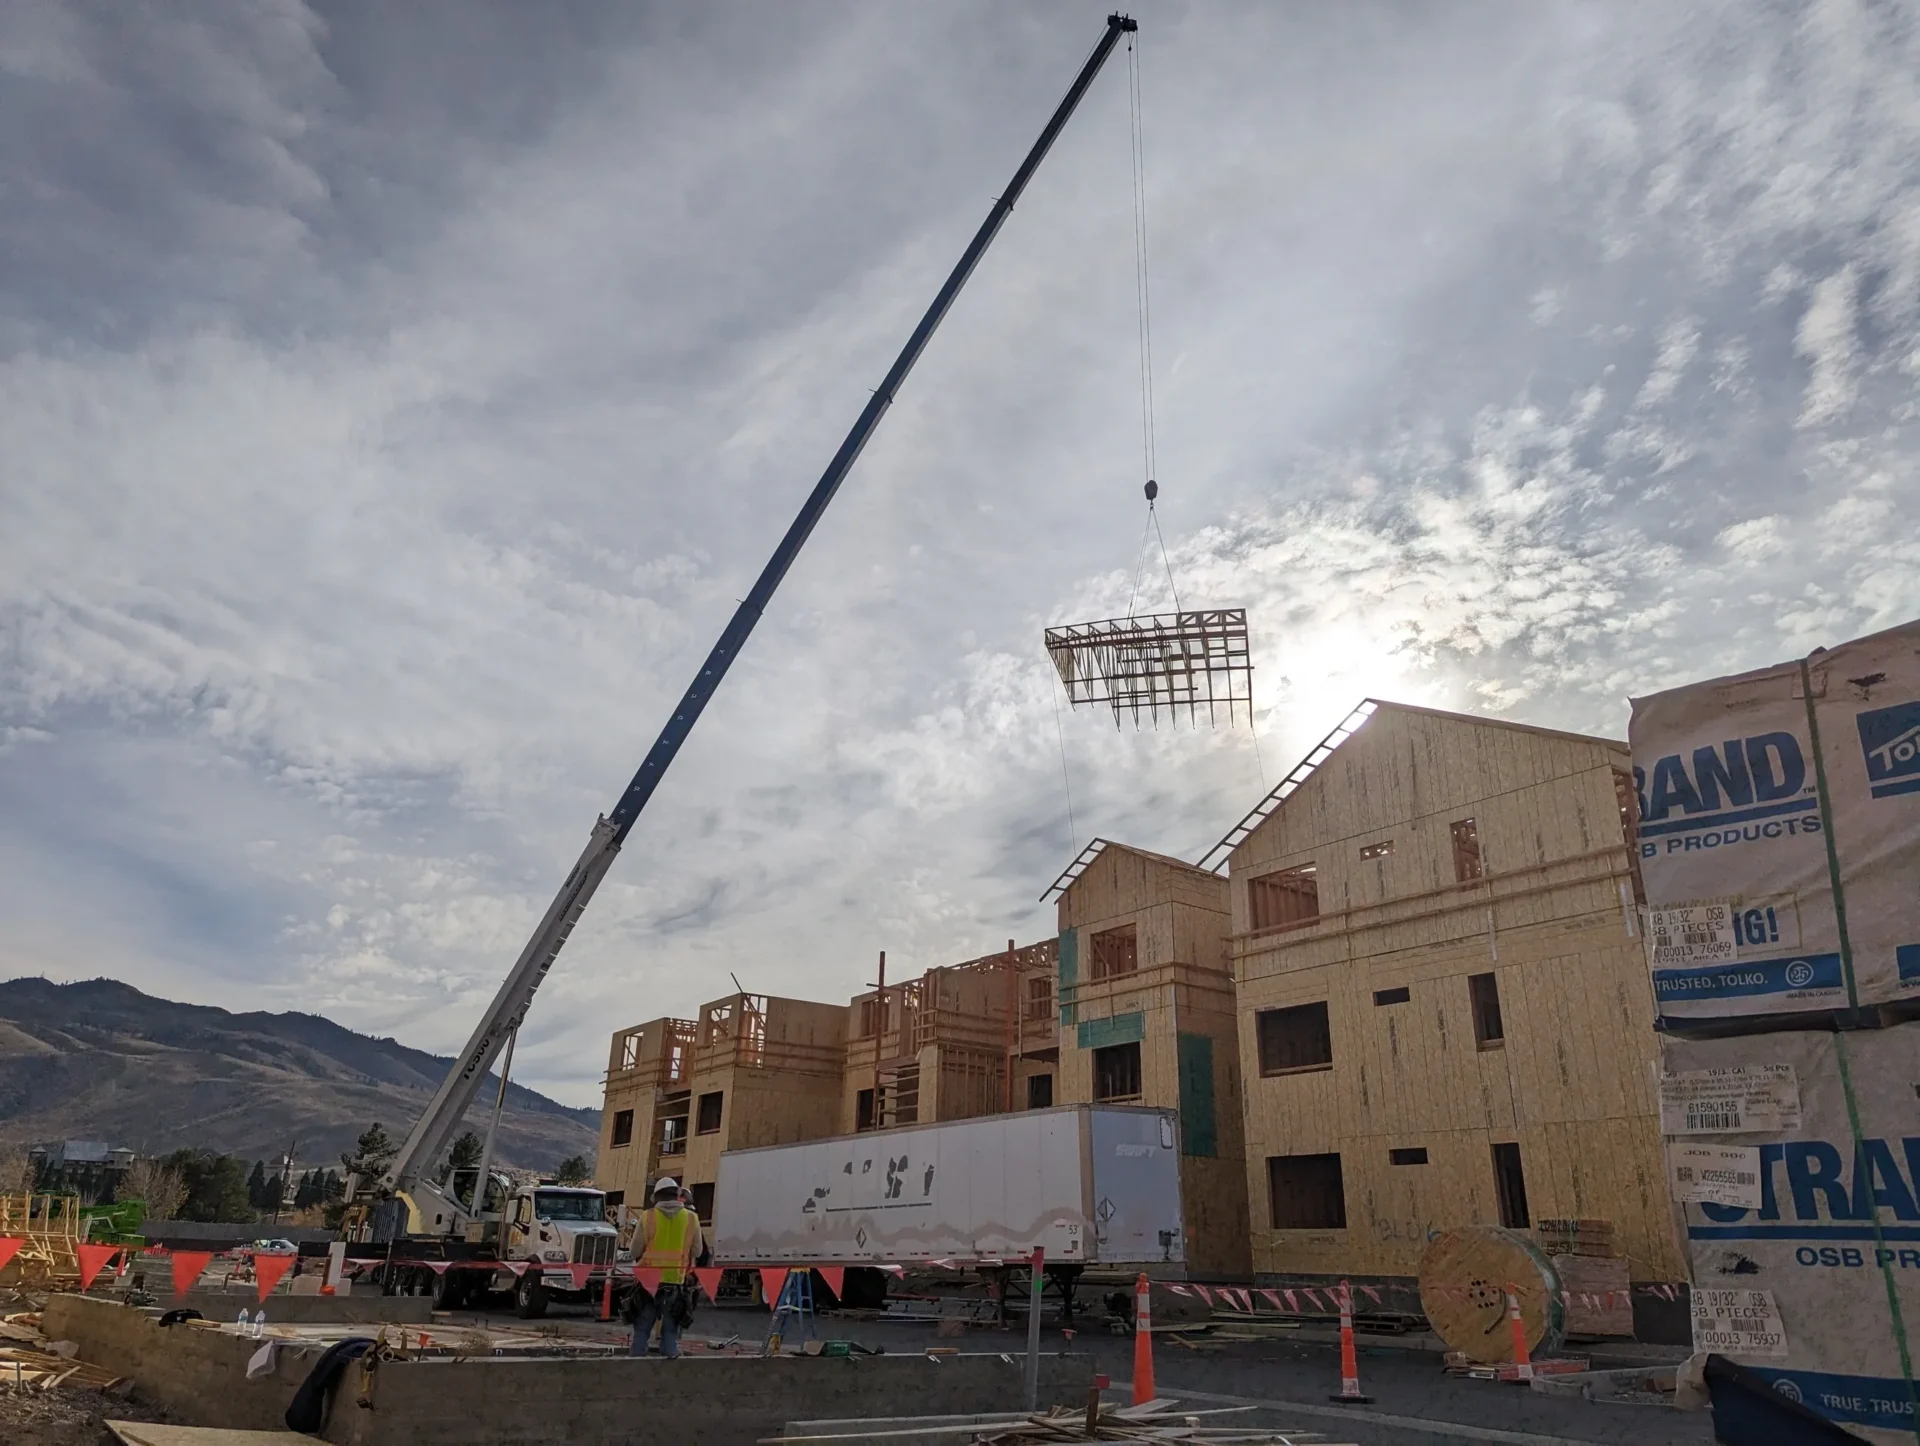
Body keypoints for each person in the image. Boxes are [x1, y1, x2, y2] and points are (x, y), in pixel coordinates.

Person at [626, 1175, 702, 1357]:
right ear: (677, 1195)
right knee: (670, 1330)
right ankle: (670, 1364)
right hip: (675, 1281)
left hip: (648, 1283)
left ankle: (634, 1366)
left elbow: (634, 1250)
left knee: (642, 1329)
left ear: (656, 1196)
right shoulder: (691, 1218)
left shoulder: (647, 1217)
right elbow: (698, 1251)